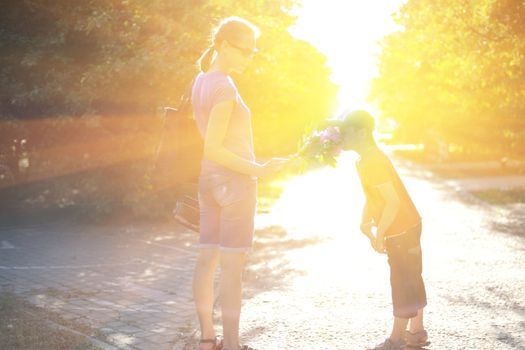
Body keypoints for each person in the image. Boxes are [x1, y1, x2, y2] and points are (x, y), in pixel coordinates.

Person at [191, 16, 287, 350]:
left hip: (207, 181)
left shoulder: (200, 81)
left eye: (253, 51)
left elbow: (209, 148)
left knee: (206, 260)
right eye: (245, 50)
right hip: (235, 183)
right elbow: (214, 147)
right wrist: (257, 170)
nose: (249, 57)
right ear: (223, 45)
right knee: (232, 269)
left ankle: (207, 339)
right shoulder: (225, 87)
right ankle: (231, 345)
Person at [334, 110, 429, 350]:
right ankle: (416, 332)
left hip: (402, 228)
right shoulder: (364, 160)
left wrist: (380, 233)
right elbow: (374, 196)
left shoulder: (373, 161)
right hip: (407, 224)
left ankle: (396, 340)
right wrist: (365, 221)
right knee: (411, 276)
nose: (341, 135)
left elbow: (392, 201)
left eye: (347, 130)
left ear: (362, 132)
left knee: (402, 280)